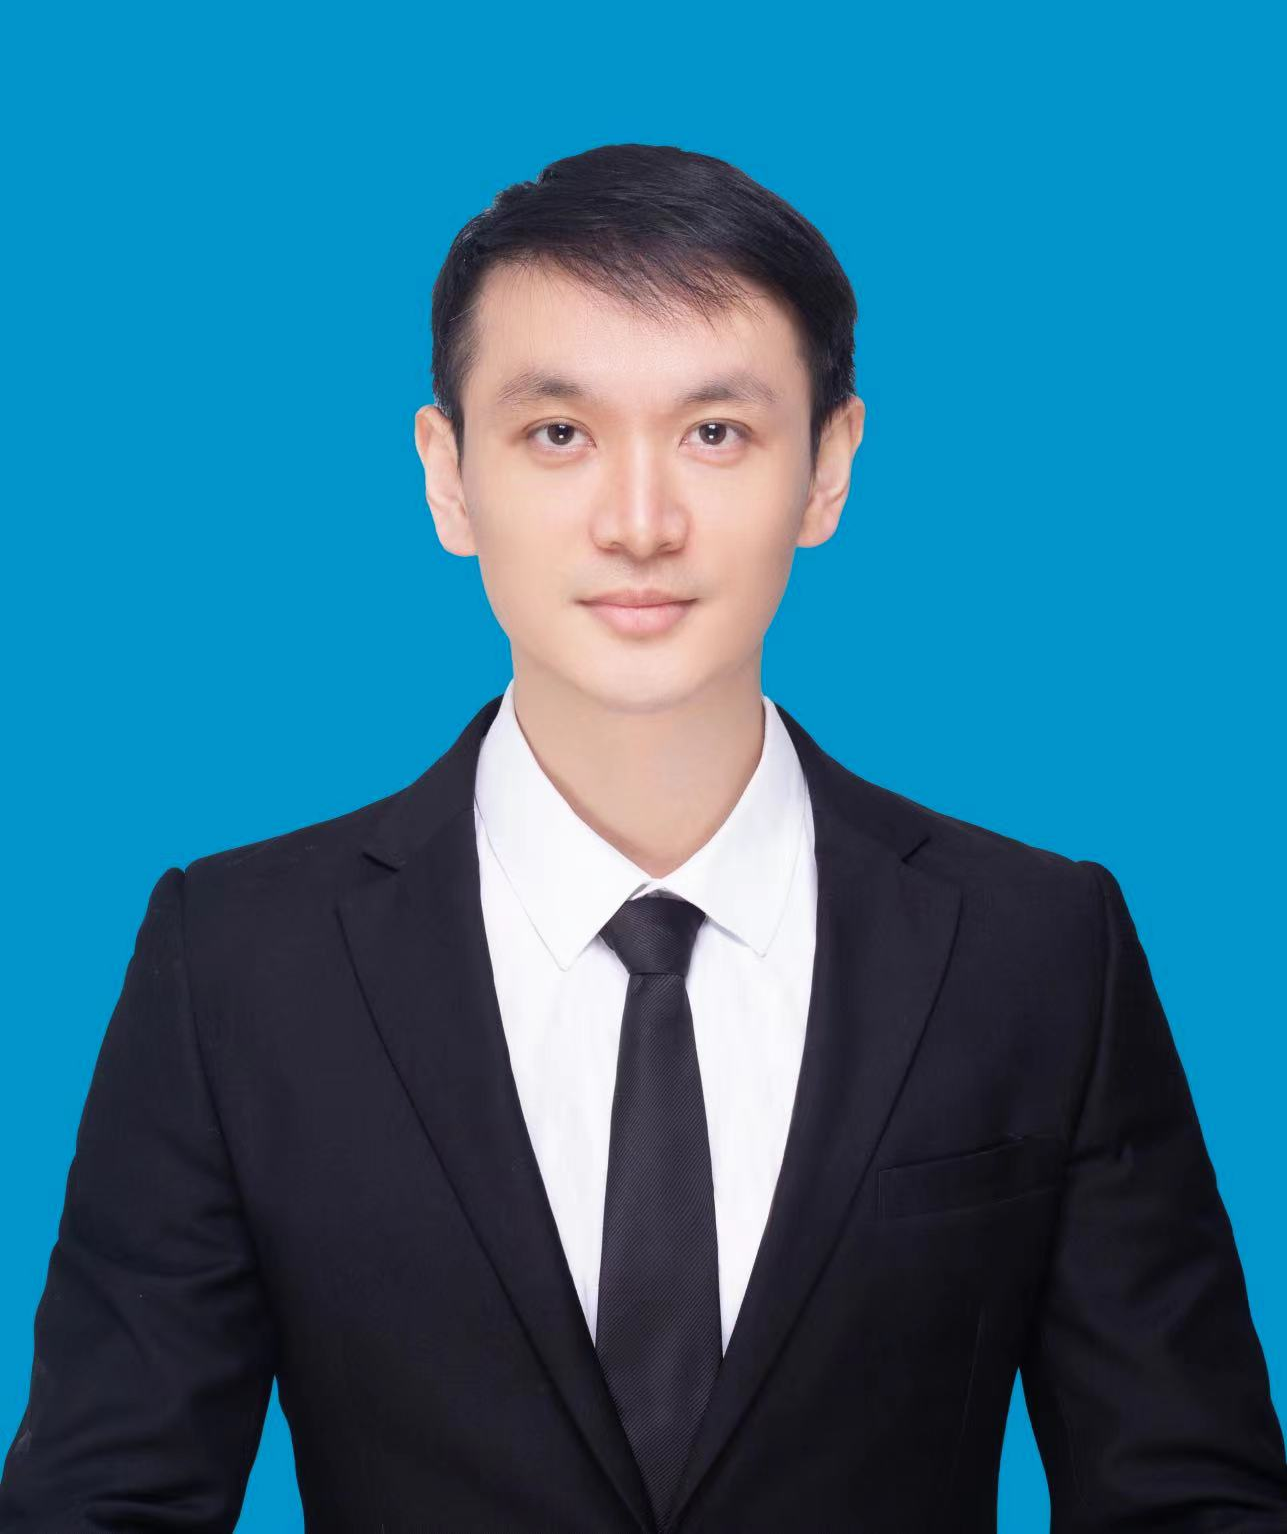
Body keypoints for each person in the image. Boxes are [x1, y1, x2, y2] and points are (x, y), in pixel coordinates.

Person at [2, 142, 1284, 1533]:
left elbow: (1186, 1496)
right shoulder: (238, 960)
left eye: (714, 433)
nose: (639, 523)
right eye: (558, 433)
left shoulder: (1036, 946)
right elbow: (102, 1502)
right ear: (448, 475)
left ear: (827, 467)